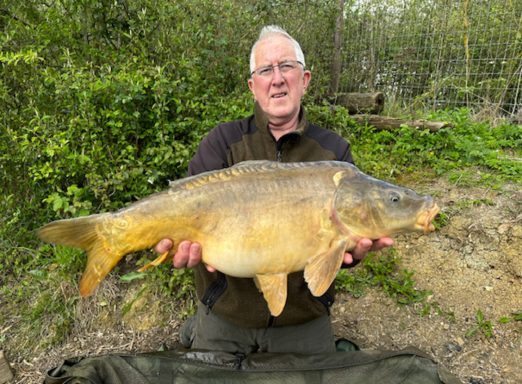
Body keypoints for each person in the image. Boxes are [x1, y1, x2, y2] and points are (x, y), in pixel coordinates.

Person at [155, 25, 393, 354]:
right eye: (266, 70)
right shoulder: (223, 142)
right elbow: (184, 221)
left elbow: (341, 248)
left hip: (302, 320)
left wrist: (351, 255)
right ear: (254, 87)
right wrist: (179, 247)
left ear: (305, 79)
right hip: (226, 314)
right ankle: (197, 329)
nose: (277, 78)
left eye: (287, 67)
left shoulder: (334, 153)